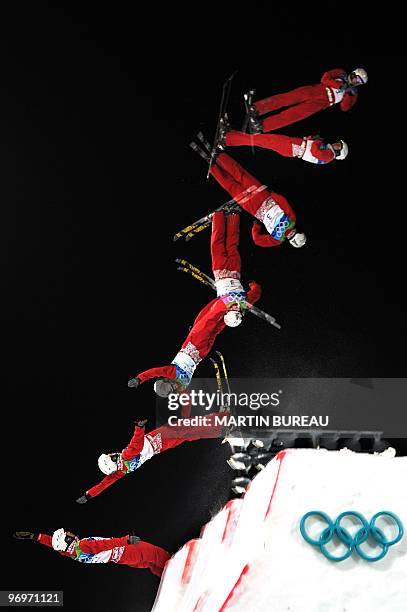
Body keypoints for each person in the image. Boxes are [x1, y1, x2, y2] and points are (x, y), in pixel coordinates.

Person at [128, 212, 262, 396]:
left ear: (167, 380)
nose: (175, 387)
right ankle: (231, 217)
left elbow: (155, 372)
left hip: (197, 339)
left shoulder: (172, 373)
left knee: (211, 317)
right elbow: (186, 401)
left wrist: (139, 378)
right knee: (214, 322)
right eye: (172, 390)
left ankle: (221, 217)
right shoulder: (181, 387)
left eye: (171, 386)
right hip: (201, 347)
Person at [75, 418, 222, 501]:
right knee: (186, 428)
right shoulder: (126, 455)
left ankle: (217, 427)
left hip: (158, 448)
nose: (112, 453)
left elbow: (104, 483)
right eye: (111, 455)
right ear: (113, 460)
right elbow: (135, 444)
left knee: (187, 435)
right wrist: (139, 428)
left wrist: (89, 495)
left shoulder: (121, 472)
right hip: (157, 438)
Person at [209, 151, 306, 249]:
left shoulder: (292, 219)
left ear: (299, 232)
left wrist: (272, 194)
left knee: (241, 175)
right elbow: (257, 240)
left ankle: (220, 157)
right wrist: (257, 225)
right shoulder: (277, 240)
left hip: (263, 196)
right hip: (254, 209)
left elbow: (283, 202)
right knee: (232, 187)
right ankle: (213, 168)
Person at [246, 68, 368, 133]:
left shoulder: (353, 93)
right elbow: (325, 77)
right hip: (318, 90)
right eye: (357, 79)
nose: (356, 83)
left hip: (323, 102)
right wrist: (339, 85)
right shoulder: (341, 73)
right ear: (353, 74)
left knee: (293, 115)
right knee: (287, 97)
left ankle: (261, 126)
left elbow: (344, 108)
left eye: (359, 83)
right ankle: (257, 108)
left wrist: (349, 94)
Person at [13, 529, 170, 577]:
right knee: (156, 555)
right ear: (67, 541)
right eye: (67, 535)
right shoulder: (84, 545)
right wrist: (127, 540)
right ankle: (183, 570)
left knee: (149, 564)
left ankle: (171, 580)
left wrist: (36, 537)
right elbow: (105, 544)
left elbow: (54, 545)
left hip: (120, 559)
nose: (69, 532)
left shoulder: (72, 553)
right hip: (126, 550)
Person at [224, 130, 348, 164]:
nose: (335, 144)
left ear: (338, 153)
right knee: (261, 139)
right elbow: (312, 148)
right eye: (338, 143)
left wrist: (316, 141)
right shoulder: (327, 150)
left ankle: (228, 138)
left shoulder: (329, 156)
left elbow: (315, 151)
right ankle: (231, 135)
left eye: (338, 146)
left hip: (293, 147)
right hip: (294, 146)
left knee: (261, 140)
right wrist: (312, 138)